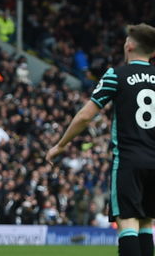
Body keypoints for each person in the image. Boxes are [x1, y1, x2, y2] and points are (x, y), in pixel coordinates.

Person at [47, 23, 155, 256]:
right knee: (146, 224)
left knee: (127, 223)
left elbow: (86, 116)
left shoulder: (116, 75)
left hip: (128, 160)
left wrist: (61, 145)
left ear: (130, 45)